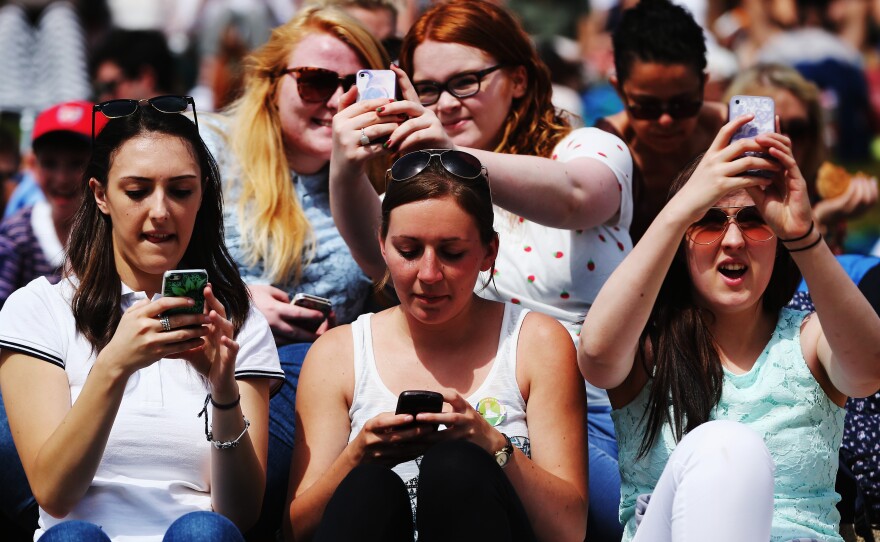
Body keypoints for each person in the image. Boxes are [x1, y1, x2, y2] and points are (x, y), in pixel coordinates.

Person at [328, 1, 633, 539]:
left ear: (518, 79)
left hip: (599, 416)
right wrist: (345, 165)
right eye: (426, 88)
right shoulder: (426, 179)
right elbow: (379, 258)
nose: (444, 104)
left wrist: (452, 155)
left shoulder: (586, 146)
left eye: (465, 81)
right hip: (470, 409)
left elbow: (580, 195)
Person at [578, 114, 880, 541]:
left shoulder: (811, 340)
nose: (733, 239)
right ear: (683, 234)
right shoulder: (646, 347)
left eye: (755, 220)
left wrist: (803, 235)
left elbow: (870, 369)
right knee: (727, 447)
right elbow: (595, 355)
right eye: (710, 220)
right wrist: (681, 208)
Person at [0, 99, 283, 540]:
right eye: (137, 191)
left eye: (181, 190)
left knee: (202, 531)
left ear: (202, 193)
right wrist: (115, 365)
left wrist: (224, 390)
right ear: (100, 195)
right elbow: (54, 492)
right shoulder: (39, 308)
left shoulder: (236, 319)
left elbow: (241, 514)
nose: (161, 211)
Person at [286, 149, 588, 541]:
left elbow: (569, 529)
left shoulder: (537, 343)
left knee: (457, 466)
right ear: (381, 244)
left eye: (452, 252)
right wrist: (357, 456)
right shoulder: (337, 353)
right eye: (408, 251)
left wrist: (494, 447)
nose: (429, 274)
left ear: (488, 252)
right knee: (367, 486)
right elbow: (295, 531)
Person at [197, 6, 388, 537]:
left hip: (309, 381)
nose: (336, 101)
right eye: (315, 81)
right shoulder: (205, 147)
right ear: (270, 81)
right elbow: (136, 263)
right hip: (194, 357)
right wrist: (235, 301)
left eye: (357, 85)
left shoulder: (384, 178)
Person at [596, 0, 727, 243]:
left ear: (703, 86)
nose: (665, 120)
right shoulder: (604, 150)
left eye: (682, 105)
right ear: (620, 91)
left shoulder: (732, 132)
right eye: (648, 107)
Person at [725, 63, 878, 254]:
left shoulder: (819, 191)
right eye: (772, 129)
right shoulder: (720, 198)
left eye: (798, 130)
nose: (786, 141)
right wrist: (819, 218)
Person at [0, 101, 107, 308]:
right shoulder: (16, 237)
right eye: (50, 163)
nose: (62, 178)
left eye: (77, 163)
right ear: (32, 165)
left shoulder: (118, 231)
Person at [91, 29, 178, 103]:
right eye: (99, 90)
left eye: (111, 86)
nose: (104, 98)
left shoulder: (187, 121)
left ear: (146, 78)